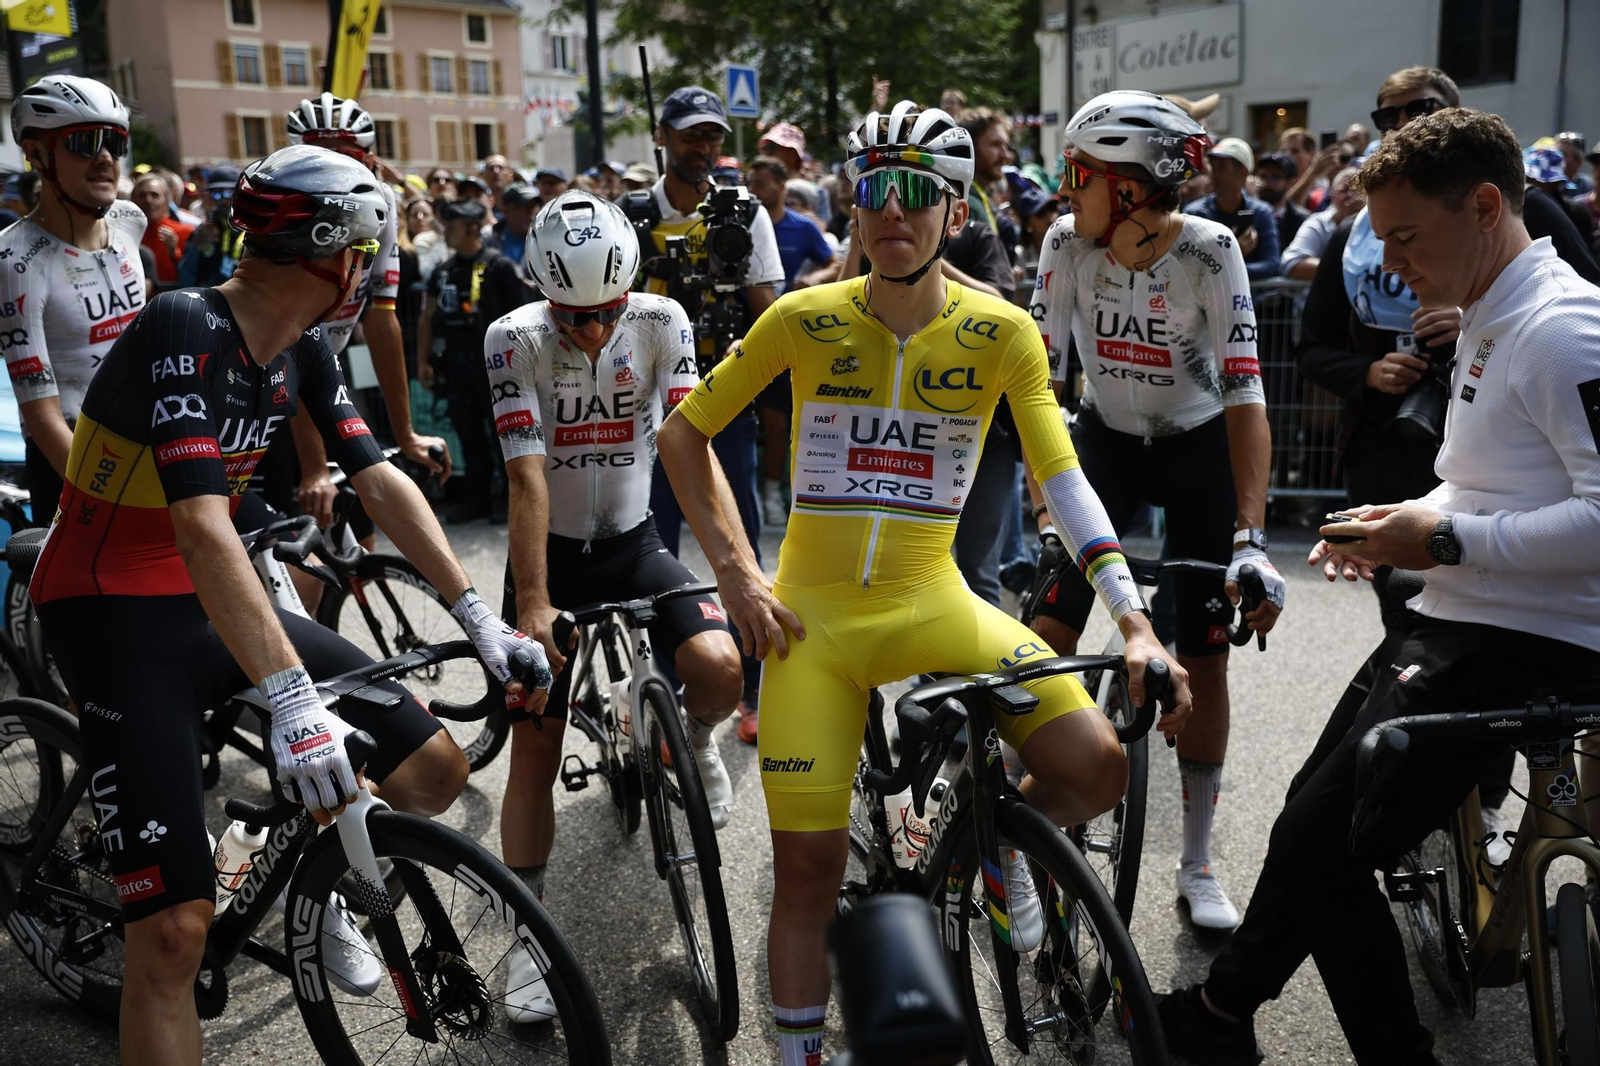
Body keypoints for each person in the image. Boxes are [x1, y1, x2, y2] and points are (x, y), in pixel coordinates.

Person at [657, 98, 1192, 1066]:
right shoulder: (800, 319)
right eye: (872, 192)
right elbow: (682, 433)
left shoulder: (1000, 331)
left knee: (1096, 764)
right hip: (811, 628)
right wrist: (736, 575)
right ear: (855, 209)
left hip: (936, 603)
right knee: (807, 874)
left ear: (955, 210)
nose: (890, 212)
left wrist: (1135, 620)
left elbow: (1061, 479)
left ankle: (996, 839)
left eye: (916, 194)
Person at [27, 143, 548, 1066]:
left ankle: (289, 857)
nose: (371, 274)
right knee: (173, 936)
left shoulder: (299, 350)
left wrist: (478, 617)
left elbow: (378, 479)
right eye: (367, 255)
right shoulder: (182, 324)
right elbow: (198, 525)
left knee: (431, 769)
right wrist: (297, 702)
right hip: (110, 612)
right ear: (334, 255)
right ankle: (205, 882)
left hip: (203, 599)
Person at [1161, 104, 1600, 1066]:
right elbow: (1489, 477)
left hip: (1520, 641)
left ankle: (1259, 1031)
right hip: (1468, 621)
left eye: (1405, 236)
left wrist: (1436, 537)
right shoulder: (1492, 310)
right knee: (1308, 826)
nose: (1390, 262)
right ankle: (1223, 1019)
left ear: (1486, 206)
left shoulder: (1563, 326)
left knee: (1321, 847)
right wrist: (1390, 529)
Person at [484, 191, 744, 1020]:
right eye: (575, 316)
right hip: (549, 560)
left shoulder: (663, 321)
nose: (593, 331)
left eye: (607, 313)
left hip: (634, 545)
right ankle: (525, 943)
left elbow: (687, 451)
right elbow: (526, 475)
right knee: (534, 750)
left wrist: (738, 568)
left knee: (719, 666)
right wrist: (530, 602)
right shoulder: (513, 338)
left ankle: (688, 738)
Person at [1031, 90, 1285, 930]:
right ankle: (1010, 826)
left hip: (1196, 447)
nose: (1065, 190)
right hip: (1102, 444)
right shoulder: (1066, 243)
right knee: (1050, 627)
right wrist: (1043, 510)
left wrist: (1251, 537)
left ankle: (1199, 859)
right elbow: (1036, 381)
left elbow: (1246, 395)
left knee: (1204, 656)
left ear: (1133, 188)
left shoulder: (1211, 254)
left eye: (1079, 173)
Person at [636, 85, 784, 741]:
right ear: (661, 135)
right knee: (657, 548)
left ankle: (752, 692)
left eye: (714, 137)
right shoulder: (629, 215)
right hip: (648, 412)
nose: (703, 148)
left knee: (742, 541)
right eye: (691, 134)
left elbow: (766, 309)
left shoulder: (747, 213)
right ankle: (667, 690)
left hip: (729, 407)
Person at [284, 93, 451, 495]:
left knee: (363, 498)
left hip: (322, 368)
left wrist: (406, 433)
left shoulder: (382, 202)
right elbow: (285, 348)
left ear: (370, 160)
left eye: (346, 156)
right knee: (302, 517)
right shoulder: (286, 210)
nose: (333, 171)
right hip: (269, 382)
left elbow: (382, 319)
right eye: (317, 158)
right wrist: (313, 468)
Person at [0, 75, 148, 518]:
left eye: (115, 142)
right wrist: (112, 498)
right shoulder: (14, 258)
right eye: (84, 142)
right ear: (38, 156)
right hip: (71, 456)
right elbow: (40, 414)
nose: (105, 158)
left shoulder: (131, 221)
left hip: (151, 438)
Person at [416, 199, 528, 522]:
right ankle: (475, 501)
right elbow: (427, 317)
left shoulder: (500, 267)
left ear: (473, 229)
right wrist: (423, 361)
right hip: (455, 365)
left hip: (496, 368)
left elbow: (520, 319)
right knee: (468, 436)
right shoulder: (443, 271)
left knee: (501, 437)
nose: (446, 233)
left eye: (452, 227)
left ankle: (509, 502)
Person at [1184, 137, 1281, 280]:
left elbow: (1272, 264)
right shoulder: (1194, 214)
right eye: (1213, 166)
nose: (1213, 173)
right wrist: (1234, 253)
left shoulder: (1262, 212)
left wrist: (1222, 269)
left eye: (1221, 167)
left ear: (1242, 173)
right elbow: (1188, 265)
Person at [1280, 166, 1364, 280]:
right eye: (1343, 190)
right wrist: (1349, 270)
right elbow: (1292, 264)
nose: (1349, 196)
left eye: (1356, 190)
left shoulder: (1377, 225)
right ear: (1331, 196)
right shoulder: (1318, 223)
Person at [131, 173, 192, 291]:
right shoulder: (123, 236)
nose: (148, 200)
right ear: (133, 200)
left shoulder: (186, 233)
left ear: (167, 201)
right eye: (142, 195)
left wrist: (175, 253)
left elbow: (195, 275)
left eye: (155, 195)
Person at [1254, 151, 1308, 251]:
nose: (1267, 183)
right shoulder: (1246, 213)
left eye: (1275, 178)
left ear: (1290, 183)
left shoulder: (1302, 221)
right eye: (1263, 177)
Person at [485, 181, 538, 269]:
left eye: (533, 207)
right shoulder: (489, 236)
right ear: (505, 210)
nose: (530, 213)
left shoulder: (543, 239)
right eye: (522, 207)